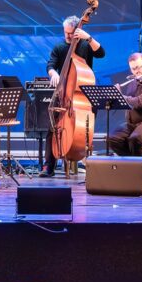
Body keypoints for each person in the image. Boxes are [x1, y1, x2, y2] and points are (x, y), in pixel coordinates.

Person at [40, 16, 105, 177]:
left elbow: (101, 53)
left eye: (70, 33)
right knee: (53, 127)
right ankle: (49, 166)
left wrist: (88, 38)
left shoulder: (85, 45)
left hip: (83, 95)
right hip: (64, 95)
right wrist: (54, 73)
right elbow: (50, 65)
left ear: (77, 30)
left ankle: (88, 162)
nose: (68, 36)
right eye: (65, 32)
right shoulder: (59, 47)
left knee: (86, 128)